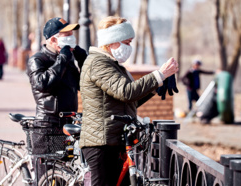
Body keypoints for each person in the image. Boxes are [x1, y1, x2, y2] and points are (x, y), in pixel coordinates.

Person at [79, 16, 179, 186]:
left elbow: (128, 101)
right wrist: (159, 75)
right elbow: (126, 92)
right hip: (100, 144)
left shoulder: (111, 64)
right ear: (112, 42)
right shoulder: (98, 64)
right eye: (127, 42)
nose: (129, 47)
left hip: (113, 140)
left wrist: (156, 86)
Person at [26, 17, 87, 185]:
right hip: (47, 127)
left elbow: (83, 85)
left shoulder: (67, 59)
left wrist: (83, 60)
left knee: (62, 175)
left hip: (66, 125)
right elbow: (43, 84)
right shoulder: (37, 60)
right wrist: (62, 60)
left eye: (72, 33)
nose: (71, 37)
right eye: (66, 34)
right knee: (46, 178)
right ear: (53, 39)